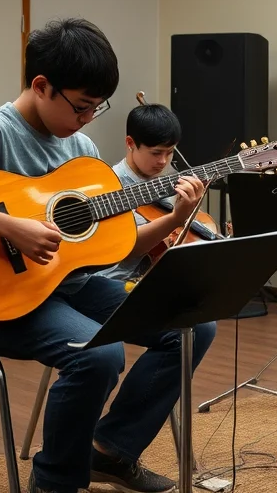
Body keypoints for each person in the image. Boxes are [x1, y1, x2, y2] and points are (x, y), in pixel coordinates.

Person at [0, 18, 205, 493]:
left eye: (98, 107)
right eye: (81, 106)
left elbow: (116, 246)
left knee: (190, 326)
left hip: (68, 286)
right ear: (41, 86)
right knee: (98, 356)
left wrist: (176, 217)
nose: (88, 118)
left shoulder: (81, 148)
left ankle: (109, 451)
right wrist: (9, 226)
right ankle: (54, 483)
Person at [96, 101, 216, 370]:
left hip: (152, 282)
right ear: (130, 143)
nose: (163, 161)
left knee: (202, 323)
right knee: (193, 328)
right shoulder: (110, 185)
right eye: (156, 153)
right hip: (111, 282)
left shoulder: (169, 181)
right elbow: (131, 246)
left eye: (170, 153)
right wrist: (176, 218)